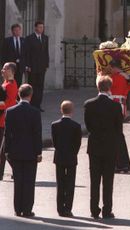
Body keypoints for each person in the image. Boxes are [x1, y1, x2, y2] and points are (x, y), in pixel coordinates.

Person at [84, 75, 123, 219]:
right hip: (110, 146)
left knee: (94, 180)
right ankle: (107, 210)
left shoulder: (89, 104)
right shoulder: (115, 105)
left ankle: (94, 210)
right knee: (108, 180)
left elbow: (88, 125)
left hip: (94, 145)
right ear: (109, 88)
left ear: (97, 87)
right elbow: (119, 128)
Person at [4, 84, 42, 217]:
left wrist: (6, 150)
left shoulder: (10, 111)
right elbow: (37, 134)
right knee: (29, 181)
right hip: (31, 151)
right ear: (30, 96)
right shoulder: (35, 112)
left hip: (15, 151)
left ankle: (17, 208)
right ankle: (27, 209)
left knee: (18, 181)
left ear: (19, 95)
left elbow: (7, 133)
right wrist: (39, 152)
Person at [51, 100, 82, 217]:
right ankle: (68, 208)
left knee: (60, 183)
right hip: (71, 157)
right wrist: (73, 153)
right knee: (70, 184)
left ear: (61, 110)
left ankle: (60, 208)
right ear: (72, 111)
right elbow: (77, 143)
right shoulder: (76, 126)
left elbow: (55, 142)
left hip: (59, 157)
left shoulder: (55, 125)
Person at [108, 59, 130, 172]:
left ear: (113, 67)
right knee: (118, 134)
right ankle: (122, 162)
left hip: (114, 107)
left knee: (116, 136)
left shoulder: (113, 78)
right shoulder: (126, 77)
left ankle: (120, 162)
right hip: (122, 106)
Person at [25, 20, 49, 112]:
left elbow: (46, 52)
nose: (41, 29)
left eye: (42, 27)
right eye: (39, 27)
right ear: (35, 28)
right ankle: (31, 104)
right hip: (32, 67)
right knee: (32, 86)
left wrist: (46, 64)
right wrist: (27, 65)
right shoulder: (29, 38)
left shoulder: (45, 38)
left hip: (42, 67)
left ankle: (38, 105)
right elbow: (27, 53)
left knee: (40, 86)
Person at [0, 62, 18, 180]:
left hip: (4, 120)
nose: (2, 71)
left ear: (11, 71)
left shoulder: (9, 85)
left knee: (4, 150)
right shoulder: (8, 82)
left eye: (5, 69)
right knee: (4, 150)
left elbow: (5, 104)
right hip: (4, 119)